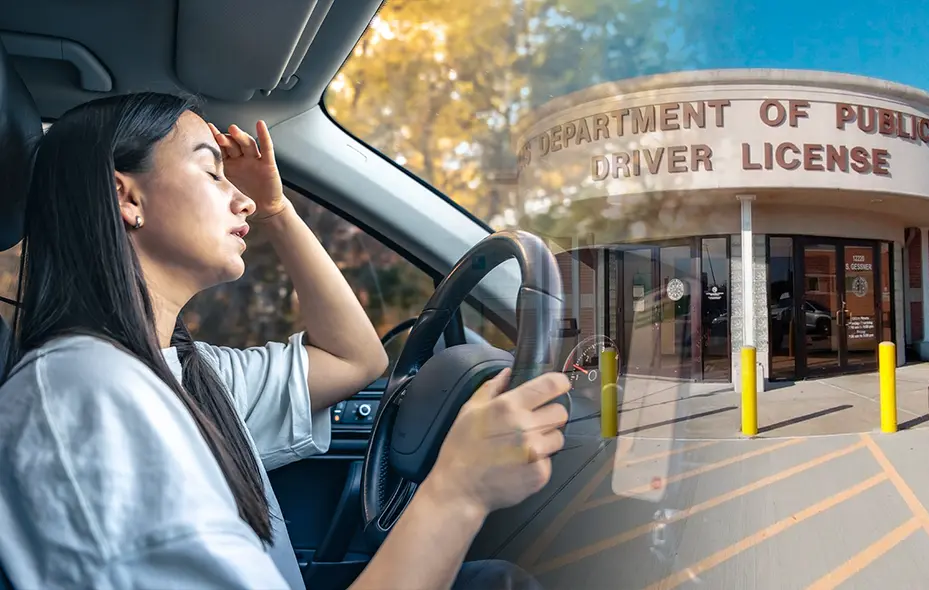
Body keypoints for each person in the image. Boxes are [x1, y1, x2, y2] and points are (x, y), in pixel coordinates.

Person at [0, 92, 569, 589]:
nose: (243, 198)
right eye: (211, 171)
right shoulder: (87, 396)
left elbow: (356, 358)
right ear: (127, 198)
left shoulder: (185, 374)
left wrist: (277, 211)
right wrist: (459, 490)